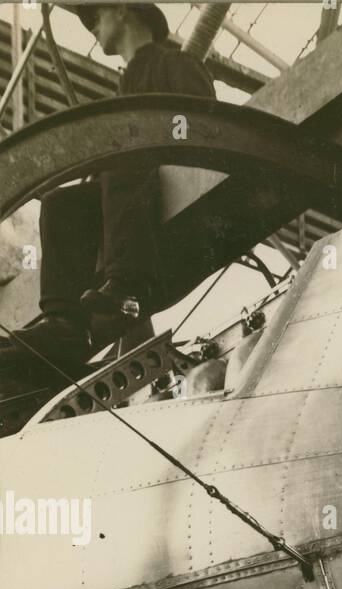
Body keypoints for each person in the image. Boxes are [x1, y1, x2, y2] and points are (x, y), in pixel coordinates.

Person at [1, 4, 215, 375]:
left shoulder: (176, 65)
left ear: (122, 10)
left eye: (95, 17)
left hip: (166, 182)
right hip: (135, 193)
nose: (91, 28)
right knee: (60, 203)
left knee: (124, 157)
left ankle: (127, 287)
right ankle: (64, 322)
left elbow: (206, 130)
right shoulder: (128, 82)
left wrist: (144, 147)